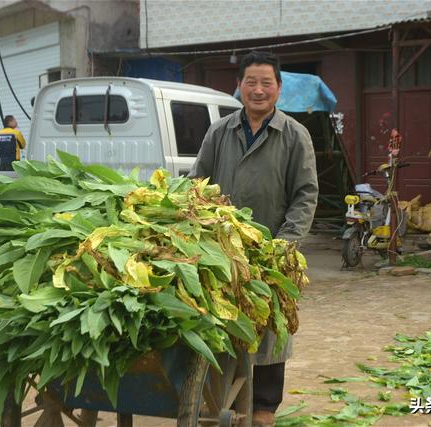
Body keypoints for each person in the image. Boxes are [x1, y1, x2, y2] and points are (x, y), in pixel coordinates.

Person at [189, 51, 319, 427]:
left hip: (271, 253)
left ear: (278, 88)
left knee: (269, 329)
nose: (258, 90)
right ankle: (220, 403)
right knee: (222, 325)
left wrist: (283, 245)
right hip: (220, 252)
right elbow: (198, 181)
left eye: (266, 82)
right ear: (240, 86)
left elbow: (305, 195)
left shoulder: (295, 136)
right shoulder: (221, 131)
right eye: (251, 82)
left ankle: (263, 411)